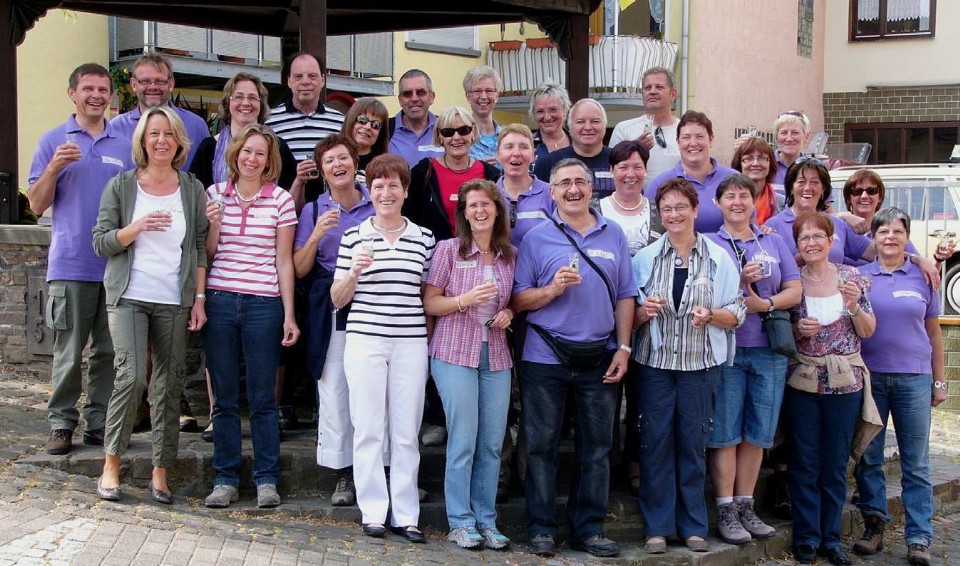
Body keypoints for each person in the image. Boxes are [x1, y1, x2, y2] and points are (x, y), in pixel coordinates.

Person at [512, 158, 637, 559]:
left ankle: (589, 529)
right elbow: (518, 300)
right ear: (552, 192)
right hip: (545, 355)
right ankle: (541, 528)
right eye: (564, 183)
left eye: (580, 182)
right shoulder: (536, 238)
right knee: (541, 446)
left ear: (591, 188)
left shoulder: (613, 233)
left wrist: (623, 347)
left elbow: (625, 295)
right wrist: (551, 290)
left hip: (600, 355)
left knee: (597, 447)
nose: (573, 189)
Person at [91, 107, 208, 503]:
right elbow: (101, 242)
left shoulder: (191, 188)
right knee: (132, 377)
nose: (161, 140)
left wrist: (198, 298)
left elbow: (198, 247)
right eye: (154, 133)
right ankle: (111, 465)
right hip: (129, 296)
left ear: (179, 142)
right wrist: (136, 228)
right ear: (142, 140)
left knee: (169, 383)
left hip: (174, 299)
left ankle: (160, 472)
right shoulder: (123, 186)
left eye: (169, 134)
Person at [632, 177, 746, 555]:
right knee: (655, 443)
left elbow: (737, 312)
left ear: (695, 210)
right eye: (667, 209)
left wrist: (711, 315)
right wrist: (643, 312)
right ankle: (657, 527)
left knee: (693, 444)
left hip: (700, 365)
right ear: (660, 214)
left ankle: (694, 525)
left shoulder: (718, 257)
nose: (674, 214)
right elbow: (628, 311)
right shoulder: (645, 258)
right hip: (655, 364)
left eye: (681, 207)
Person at [28, 63, 133, 456]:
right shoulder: (53, 140)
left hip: (116, 266)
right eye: (88, 88)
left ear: (111, 96)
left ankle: (98, 422)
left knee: (109, 352)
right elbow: (36, 205)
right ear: (72, 93)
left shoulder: (125, 145)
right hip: (71, 264)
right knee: (69, 352)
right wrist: (54, 167)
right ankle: (61, 424)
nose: (96, 95)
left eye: (103, 89)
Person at [331, 154, 435, 542]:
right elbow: (337, 298)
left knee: (407, 431)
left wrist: (426, 341)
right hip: (365, 340)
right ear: (369, 191)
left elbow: (427, 296)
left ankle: (406, 515)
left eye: (393, 185)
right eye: (378, 186)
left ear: (405, 191)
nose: (386, 192)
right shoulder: (353, 236)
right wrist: (354, 272)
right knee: (368, 428)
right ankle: (373, 511)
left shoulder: (424, 238)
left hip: (410, 342)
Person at [202, 124, 300, 509]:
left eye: (260, 153)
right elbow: (207, 255)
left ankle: (267, 478)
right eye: (247, 151)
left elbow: (284, 261)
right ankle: (225, 479)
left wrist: (289, 314)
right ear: (236, 153)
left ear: (269, 160)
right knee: (224, 398)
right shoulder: (214, 194)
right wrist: (213, 224)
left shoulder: (281, 200)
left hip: (264, 304)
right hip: (220, 300)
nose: (252, 159)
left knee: (262, 398)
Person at [704, 174, 802, 544]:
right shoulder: (709, 243)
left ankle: (747, 505)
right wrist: (741, 283)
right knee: (726, 432)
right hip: (726, 349)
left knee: (758, 433)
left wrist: (766, 303)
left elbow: (794, 288)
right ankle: (725, 509)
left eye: (744, 195)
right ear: (718, 203)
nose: (737, 202)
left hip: (768, 350)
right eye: (729, 196)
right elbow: (704, 292)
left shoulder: (772, 241)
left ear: (754, 200)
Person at [424, 179, 516, 551]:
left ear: (497, 210)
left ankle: (486, 521)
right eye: (472, 205)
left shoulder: (509, 254)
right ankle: (460, 522)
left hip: (496, 354)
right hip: (453, 353)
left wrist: (509, 312)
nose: (479, 211)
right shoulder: (448, 250)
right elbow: (430, 302)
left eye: (485, 204)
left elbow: (512, 301)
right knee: (463, 441)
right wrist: (465, 299)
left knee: (492, 444)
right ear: (463, 213)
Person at [853, 207, 945, 566]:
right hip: (870, 379)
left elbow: (934, 333)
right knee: (869, 458)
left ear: (907, 238)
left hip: (914, 379)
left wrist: (939, 381)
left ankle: (919, 537)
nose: (890, 237)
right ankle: (874, 527)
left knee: (916, 463)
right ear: (873, 238)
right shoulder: (860, 277)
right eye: (883, 231)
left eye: (897, 231)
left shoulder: (924, 276)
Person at [788, 211, 878, 565]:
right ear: (797, 245)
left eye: (817, 236)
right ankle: (806, 537)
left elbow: (868, 330)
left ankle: (831, 538)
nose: (811, 243)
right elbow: (778, 332)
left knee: (836, 462)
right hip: (804, 381)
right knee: (804, 461)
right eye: (804, 238)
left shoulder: (850, 278)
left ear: (831, 240)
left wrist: (853, 306)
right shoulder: (792, 282)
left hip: (845, 383)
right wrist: (799, 331)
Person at [293, 135, 374, 508]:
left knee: (373, 387)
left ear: (355, 162)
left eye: (343, 158)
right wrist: (315, 236)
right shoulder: (313, 210)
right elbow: (299, 268)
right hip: (330, 304)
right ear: (322, 171)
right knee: (334, 386)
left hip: (375, 301)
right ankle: (344, 471)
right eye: (329, 161)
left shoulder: (377, 201)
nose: (338, 165)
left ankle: (379, 469)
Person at [598, 140, 664, 497]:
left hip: (651, 318)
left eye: (637, 166)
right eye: (622, 166)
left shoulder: (658, 211)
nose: (630, 173)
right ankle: (605, 469)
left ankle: (638, 466)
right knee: (605, 398)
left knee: (643, 398)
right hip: (602, 318)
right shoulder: (596, 209)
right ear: (612, 171)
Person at [190, 73, 300, 202]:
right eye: (238, 97)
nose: (246, 103)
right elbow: (195, 196)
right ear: (227, 103)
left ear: (261, 104)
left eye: (252, 98)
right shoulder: (209, 147)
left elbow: (291, 197)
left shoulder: (278, 147)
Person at [405, 106, 500, 243]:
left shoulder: (491, 175)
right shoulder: (422, 173)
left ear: (473, 132)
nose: (456, 137)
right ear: (440, 136)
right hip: (434, 253)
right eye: (448, 132)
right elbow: (409, 218)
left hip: (481, 251)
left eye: (463, 130)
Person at [265, 52, 345, 204]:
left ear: (323, 80)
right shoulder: (269, 122)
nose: (305, 82)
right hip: (281, 207)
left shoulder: (341, 122)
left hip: (329, 207)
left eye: (312, 76)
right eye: (298, 76)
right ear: (289, 81)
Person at [764, 158, 874, 265]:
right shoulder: (773, 226)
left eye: (814, 182)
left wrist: (854, 273)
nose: (807, 188)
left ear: (823, 189)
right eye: (801, 182)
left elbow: (877, 254)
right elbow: (767, 270)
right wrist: (794, 263)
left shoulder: (837, 224)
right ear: (791, 188)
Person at [110, 53, 210, 170]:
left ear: (171, 84)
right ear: (134, 84)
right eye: (145, 81)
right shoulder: (116, 128)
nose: (152, 87)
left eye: (159, 81)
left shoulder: (196, 126)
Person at [645, 110, 738, 233]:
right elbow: (647, 227)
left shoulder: (733, 179)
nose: (693, 143)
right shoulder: (662, 182)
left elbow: (749, 225)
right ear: (678, 141)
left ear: (711, 139)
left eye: (699, 136)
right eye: (686, 137)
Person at [608, 66, 681, 185]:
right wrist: (635, 149)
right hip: (636, 197)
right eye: (648, 88)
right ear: (642, 94)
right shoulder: (623, 129)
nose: (652, 91)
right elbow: (611, 172)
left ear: (673, 94)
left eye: (659, 87)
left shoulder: (685, 131)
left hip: (676, 196)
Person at [534, 99, 614, 201]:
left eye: (595, 121)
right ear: (570, 127)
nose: (588, 127)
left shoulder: (619, 160)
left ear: (605, 126)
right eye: (580, 122)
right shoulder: (547, 163)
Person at [496, 124, 555, 249]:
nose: (516, 153)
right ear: (498, 155)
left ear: (533, 156)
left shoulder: (552, 194)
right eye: (509, 147)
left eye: (524, 147)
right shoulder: (488, 195)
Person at [388, 69, 444, 167]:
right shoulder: (385, 130)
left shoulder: (446, 129)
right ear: (400, 100)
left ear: (431, 97)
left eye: (420, 92)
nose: (414, 99)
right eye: (407, 94)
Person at [731, 136, 783, 225]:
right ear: (739, 164)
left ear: (770, 163)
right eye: (748, 158)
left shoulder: (782, 204)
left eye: (761, 158)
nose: (755, 163)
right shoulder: (729, 202)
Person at [340, 97, 390, 182]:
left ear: (381, 133)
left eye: (376, 124)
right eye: (362, 120)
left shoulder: (386, 167)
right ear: (351, 120)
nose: (368, 127)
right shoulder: (331, 158)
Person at [463, 65, 503, 163]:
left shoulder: (507, 136)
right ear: (468, 97)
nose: (484, 96)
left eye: (489, 91)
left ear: (497, 96)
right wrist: (479, 168)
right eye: (477, 91)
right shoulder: (461, 136)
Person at [528, 81, 571, 163]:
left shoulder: (578, 143)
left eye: (553, 110)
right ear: (533, 114)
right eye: (540, 111)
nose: (547, 117)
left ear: (565, 110)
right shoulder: (526, 145)